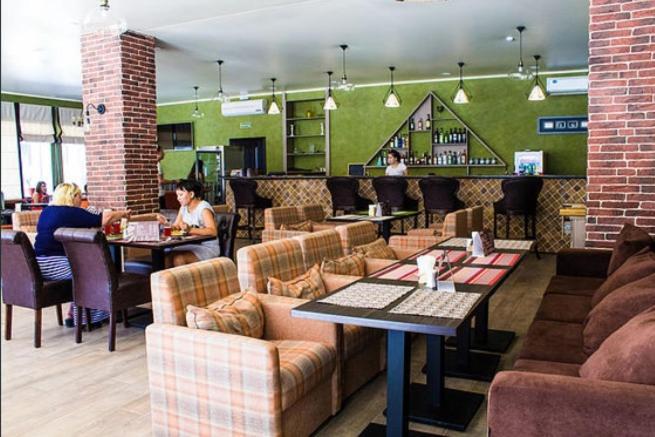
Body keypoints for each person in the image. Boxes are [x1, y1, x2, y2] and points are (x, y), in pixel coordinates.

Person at [34, 182, 130, 327]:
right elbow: (105, 218)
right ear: (73, 196)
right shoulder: (69, 212)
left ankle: (75, 314)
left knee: (88, 268)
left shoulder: (47, 211)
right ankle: (87, 318)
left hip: (39, 265)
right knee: (97, 271)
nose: (82, 199)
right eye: (80, 196)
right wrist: (124, 214)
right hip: (56, 265)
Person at [164, 179, 218, 267]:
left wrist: (190, 230)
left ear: (191, 194)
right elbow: (174, 229)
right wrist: (166, 224)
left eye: (181, 195)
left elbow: (213, 231)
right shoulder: (183, 208)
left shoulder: (203, 208)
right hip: (190, 244)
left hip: (207, 247)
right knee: (166, 258)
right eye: (177, 195)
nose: (178, 198)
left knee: (179, 259)